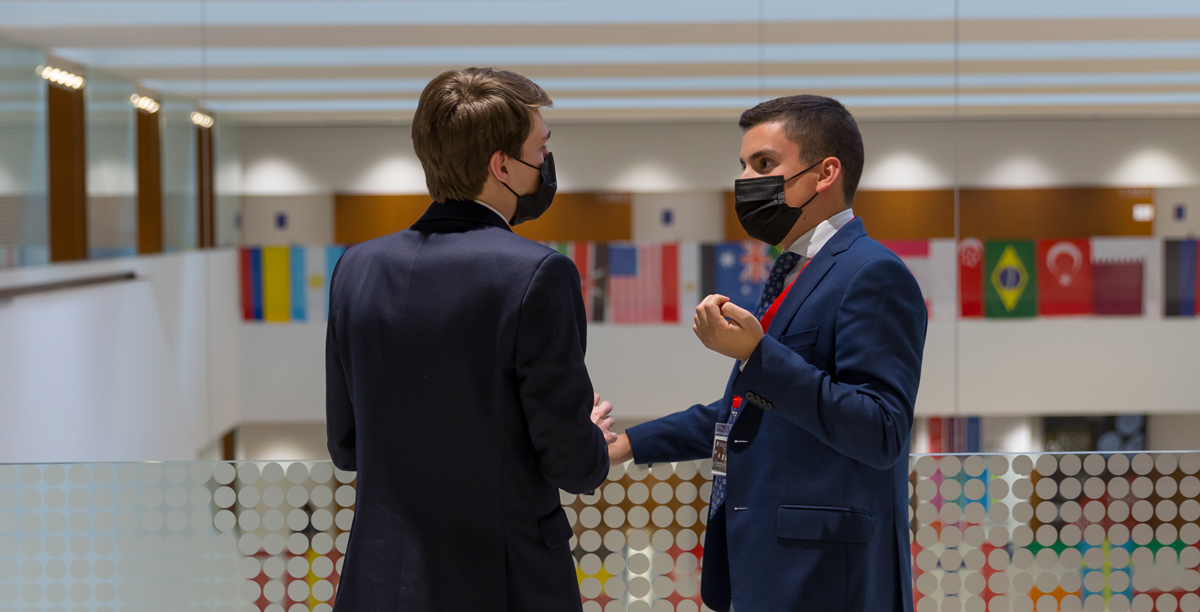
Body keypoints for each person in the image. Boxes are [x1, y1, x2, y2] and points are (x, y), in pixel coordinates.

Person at [608, 95, 927, 612]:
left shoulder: (872, 273)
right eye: (743, 165)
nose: (745, 180)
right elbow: (748, 411)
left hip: (827, 576)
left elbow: (881, 428)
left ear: (825, 173)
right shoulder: (793, 270)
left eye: (763, 165)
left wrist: (758, 357)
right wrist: (624, 445)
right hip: (768, 569)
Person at [325, 67, 616, 612]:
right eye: (541, 148)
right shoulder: (537, 273)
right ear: (501, 165)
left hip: (379, 583)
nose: (546, 163)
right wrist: (589, 435)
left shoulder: (356, 267)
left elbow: (346, 445)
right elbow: (573, 465)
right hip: (502, 582)